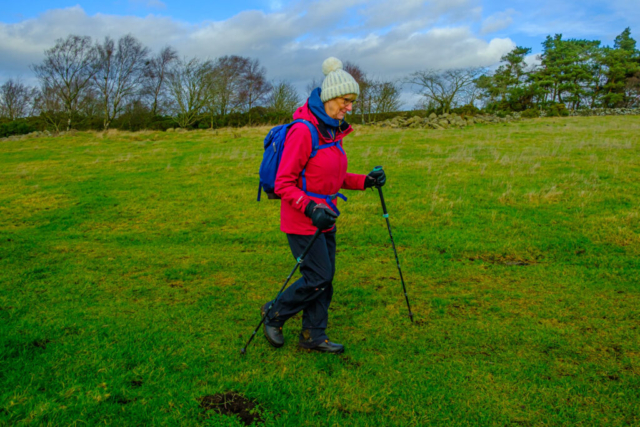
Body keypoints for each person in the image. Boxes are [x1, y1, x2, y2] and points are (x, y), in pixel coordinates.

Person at [261, 57, 386, 354]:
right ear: (330, 97)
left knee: (323, 279)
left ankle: (314, 335)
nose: (350, 107)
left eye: (352, 101)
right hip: (303, 219)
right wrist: (310, 208)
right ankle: (274, 315)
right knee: (318, 276)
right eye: (346, 100)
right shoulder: (304, 130)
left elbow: (333, 177)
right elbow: (284, 183)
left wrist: (365, 181)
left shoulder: (332, 130)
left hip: (326, 217)